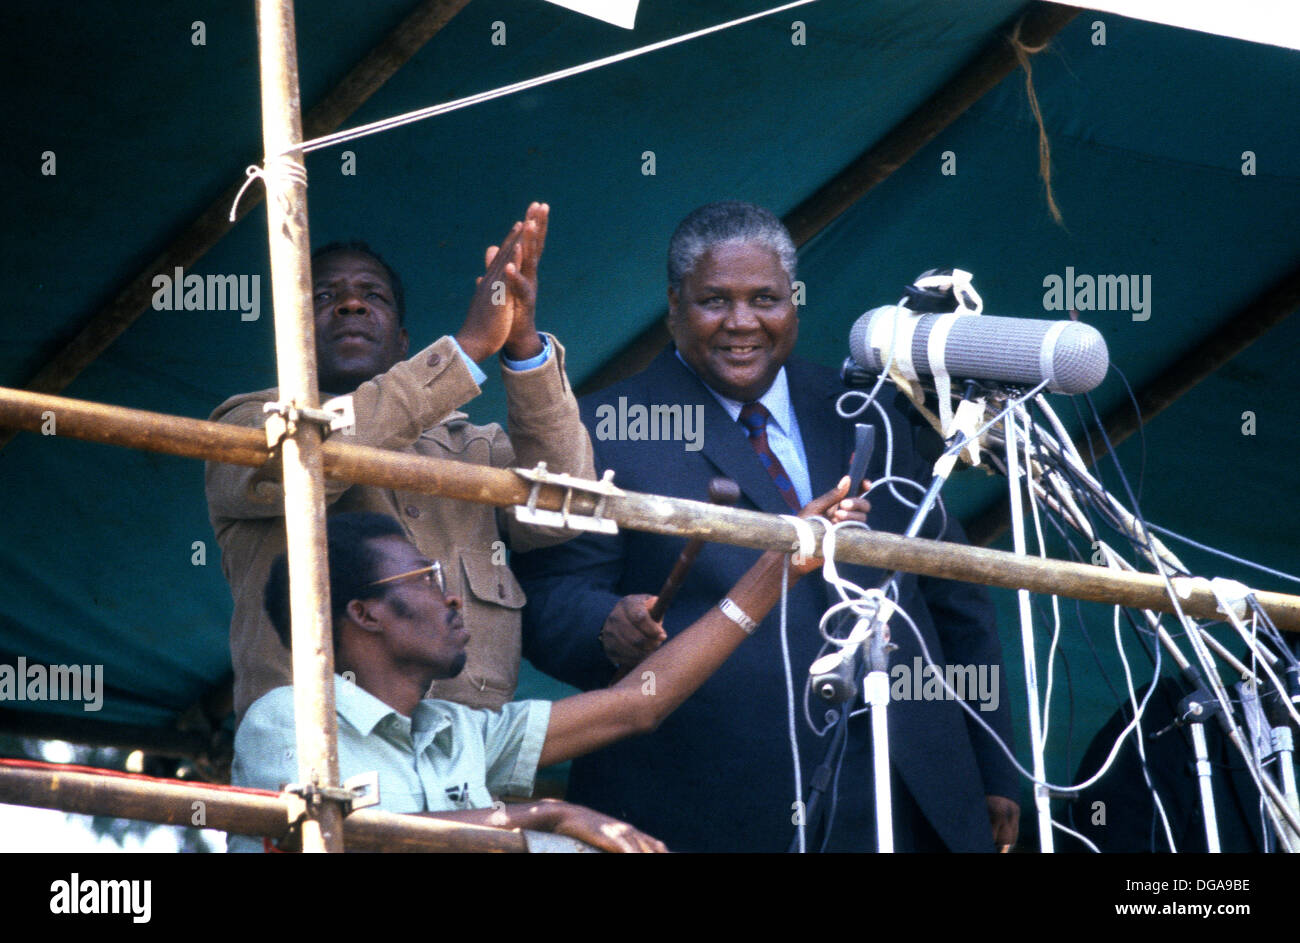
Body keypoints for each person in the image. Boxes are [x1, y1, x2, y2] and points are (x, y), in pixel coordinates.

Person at [513, 201, 1020, 852]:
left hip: (907, 788)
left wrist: (994, 760)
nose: (742, 322)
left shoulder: (873, 412)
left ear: (794, 303)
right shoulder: (601, 427)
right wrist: (607, 623)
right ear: (673, 306)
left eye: (765, 298)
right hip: (707, 799)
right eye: (714, 300)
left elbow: (956, 594)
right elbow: (549, 599)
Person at [231, 499, 858, 852]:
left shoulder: (457, 729)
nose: (454, 599)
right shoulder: (289, 716)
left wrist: (776, 571)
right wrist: (544, 814)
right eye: (428, 578)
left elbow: (637, 703)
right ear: (363, 613)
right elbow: (349, 843)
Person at [206, 203, 594, 722]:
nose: (349, 305)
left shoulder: (474, 448)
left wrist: (521, 341)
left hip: (463, 760)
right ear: (290, 338)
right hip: (323, 751)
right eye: (324, 296)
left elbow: (565, 506)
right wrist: (469, 346)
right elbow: (306, 464)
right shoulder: (248, 422)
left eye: (373, 295)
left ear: (404, 343)